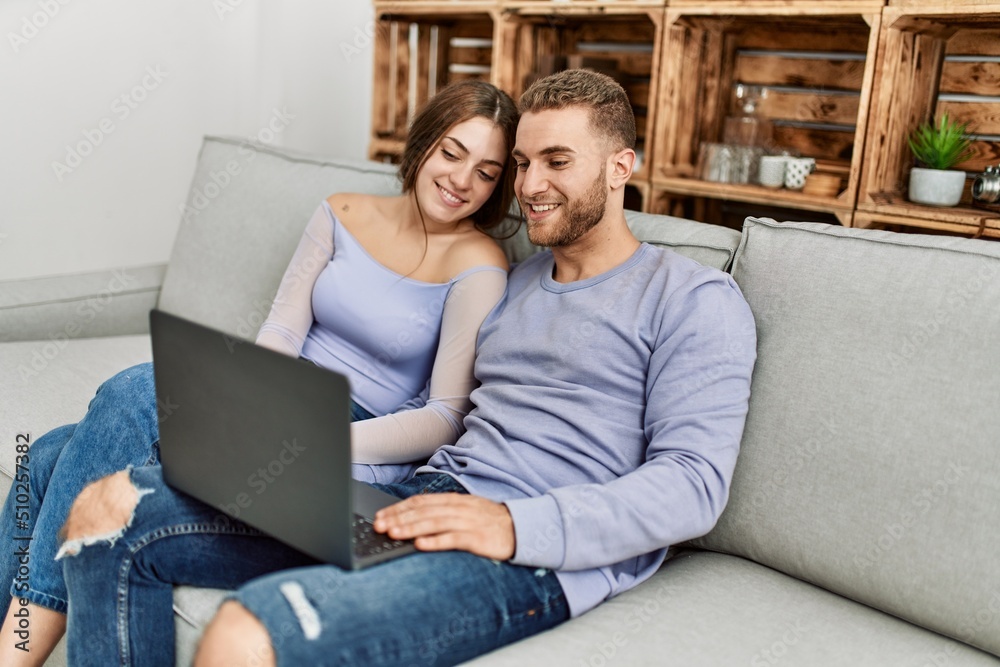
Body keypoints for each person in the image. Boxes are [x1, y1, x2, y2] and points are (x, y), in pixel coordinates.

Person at [59, 69, 757, 666]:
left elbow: (694, 485)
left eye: (557, 161)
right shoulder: (512, 280)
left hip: (525, 554)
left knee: (250, 629)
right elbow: (438, 401)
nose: (529, 185)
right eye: (521, 163)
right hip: (414, 500)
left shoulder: (693, 298)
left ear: (619, 167)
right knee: (106, 512)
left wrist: (515, 523)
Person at [0, 79, 519, 666]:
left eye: (486, 171)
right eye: (453, 152)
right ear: (424, 143)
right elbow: (281, 332)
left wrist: (311, 435)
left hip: (359, 438)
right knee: (45, 455)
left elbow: (445, 417)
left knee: (130, 393)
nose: (461, 180)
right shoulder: (343, 211)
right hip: (279, 398)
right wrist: (254, 407)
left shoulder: (480, 264)